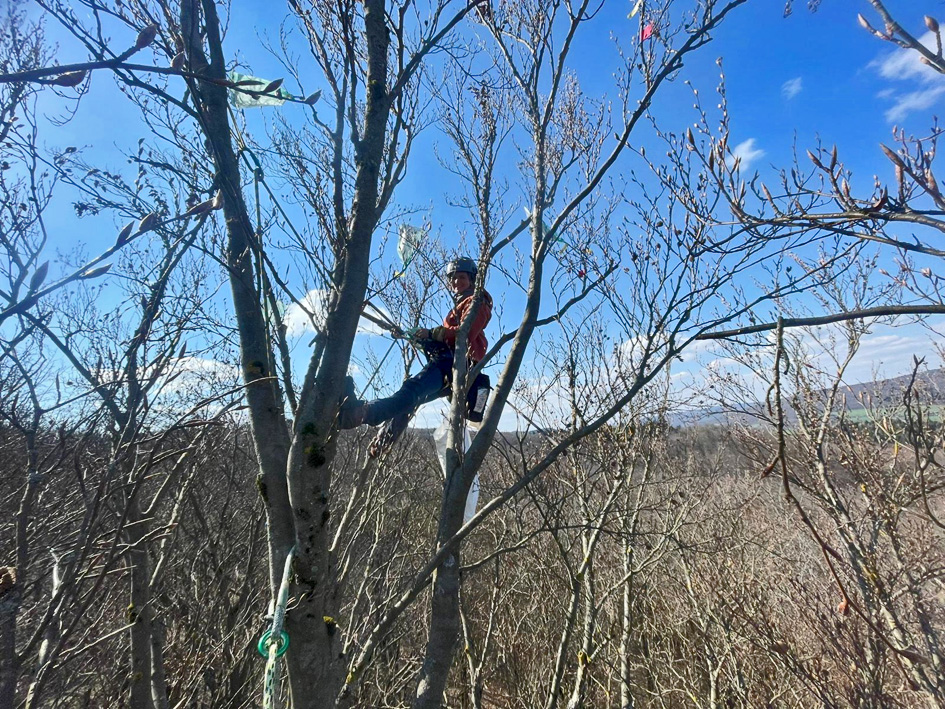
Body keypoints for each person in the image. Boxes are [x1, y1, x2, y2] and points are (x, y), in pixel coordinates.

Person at [339, 257, 492, 454]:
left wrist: (433, 333)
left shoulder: (476, 301)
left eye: (461, 277)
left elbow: (464, 333)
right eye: (453, 278)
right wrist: (413, 336)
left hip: (453, 363)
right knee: (413, 398)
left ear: (472, 279)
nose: (456, 282)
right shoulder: (464, 302)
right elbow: (452, 337)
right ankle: (384, 439)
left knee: (412, 390)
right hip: (453, 365)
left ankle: (359, 413)